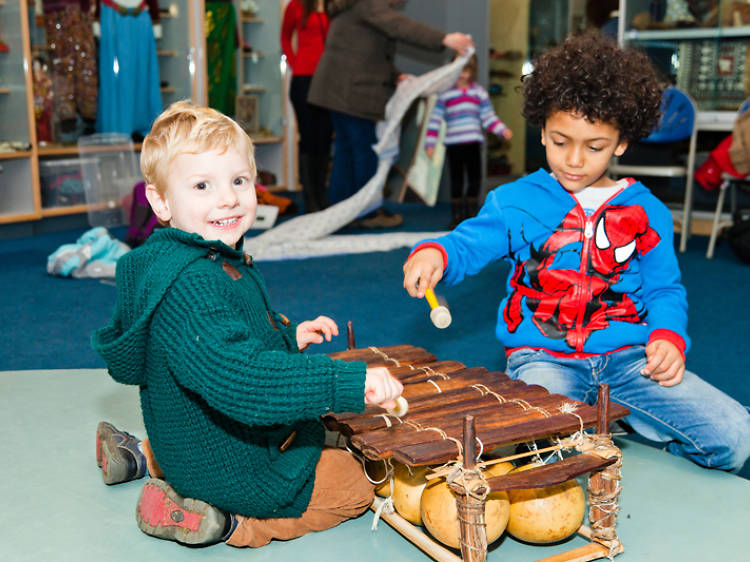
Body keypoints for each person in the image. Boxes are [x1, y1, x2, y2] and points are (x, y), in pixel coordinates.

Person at [402, 33, 750, 473]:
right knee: (540, 451)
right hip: (543, 358)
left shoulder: (649, 212)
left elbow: (665, 289)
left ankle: (614, 429)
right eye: (560, 141)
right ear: (543, 131)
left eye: (594, 147)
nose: (574, 160)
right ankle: (593, 430)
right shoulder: (517, 201)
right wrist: (435, 254)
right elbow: (468, 243)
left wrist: (667, 337)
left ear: (621, 142)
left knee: (735, 437)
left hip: (629, 361)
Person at [91, 100, 404, 548]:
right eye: (202, 185)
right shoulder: (192, 284)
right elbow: (246, 380)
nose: (228, 198)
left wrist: (286, 338)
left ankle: (142, 459)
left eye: (239, 180)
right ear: (160, 202)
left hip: (190, 440)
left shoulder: (202, 260)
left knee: (309, 422)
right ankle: (227, 522)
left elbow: (229, 345)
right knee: (355, 482)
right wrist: (347, 382)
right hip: (230, 466)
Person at [307, 0, 474, 228]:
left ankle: (342, 211)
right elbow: (399, 26)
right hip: (351, 91)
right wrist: (444, 39)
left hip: (339, 89)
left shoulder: (355, 6)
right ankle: (367, 212)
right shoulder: (368, 4)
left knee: (348, 151)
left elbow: (365, 51)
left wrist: (394, 74)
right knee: (364, 151)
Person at [424, 53, 513, 228]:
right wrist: (430, 143)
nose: (464, 75)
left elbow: (487, 116)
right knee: (456, 179)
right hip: (454, 144)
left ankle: (471, 214)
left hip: (473, 142)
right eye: (460, 70)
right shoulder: (445, 94)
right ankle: (456, 215)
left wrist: (501, 130)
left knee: (475, 178)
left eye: (468, 71)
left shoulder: (478, 92)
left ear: (473, 71)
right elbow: (435, 119)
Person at [281, 0, 333, 213]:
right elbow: (285, 37)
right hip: (304, 80)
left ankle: (322, 196)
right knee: (309, 139)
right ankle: (310, 199)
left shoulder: (334, 6)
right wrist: (296, 63)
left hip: (329, 79)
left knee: (325, 140)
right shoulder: (296, 5)